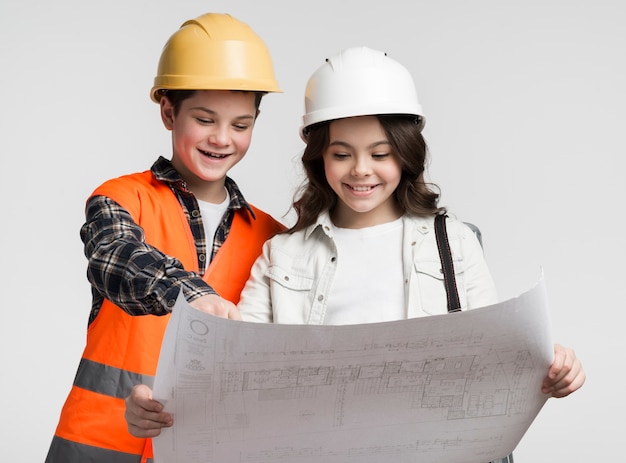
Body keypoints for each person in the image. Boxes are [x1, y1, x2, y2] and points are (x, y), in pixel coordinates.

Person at [124, 47, 586, 462]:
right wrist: (158, 406)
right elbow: (234, 373)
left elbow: (496, 360)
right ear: (320, 158)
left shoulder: (455, 243)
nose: (361, 170)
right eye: (342, 153)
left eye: (380, 153)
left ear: (405, 155)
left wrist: (552, 368)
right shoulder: (282, 257)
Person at [45, 12, 286, 463]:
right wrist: (190, 294)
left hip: (200, 451)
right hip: (98, 446)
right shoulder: (121, 198)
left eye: (240, 124)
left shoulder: (274, 238)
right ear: (168, 111)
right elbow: (116, 259)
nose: (221, 138)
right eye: (205, 118)